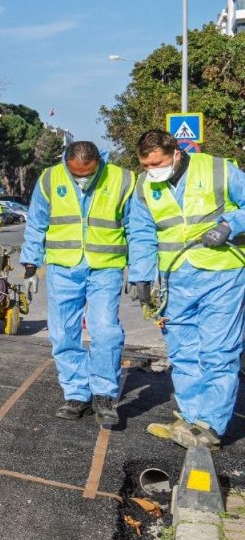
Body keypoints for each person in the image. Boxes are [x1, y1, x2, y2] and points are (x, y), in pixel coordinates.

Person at [129, 130, 245, 450]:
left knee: (219, 352)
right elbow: (141, 233)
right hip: (175, 278)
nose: (152, 170)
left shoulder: (218, 169)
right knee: (183, 352)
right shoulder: (144, 185)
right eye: (146, 165)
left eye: (158, 163)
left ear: (176, 153)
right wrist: (141, 277)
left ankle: (211, 426)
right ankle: (192, 419)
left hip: (222, 274)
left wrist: (229, 225)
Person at [20, 141, 134, 428]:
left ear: (98, 163)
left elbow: (137, 226)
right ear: (66, 163)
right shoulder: (50, 177)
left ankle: (104, 395)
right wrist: (30, 265)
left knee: (106, 331)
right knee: (63, 334)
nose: (82, 179)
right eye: (76, 174)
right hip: (63, 268)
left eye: (87, 174)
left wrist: (140, 269)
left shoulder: (122, 178)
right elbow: (36, 222)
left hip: (105, 267)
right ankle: (76, 393)